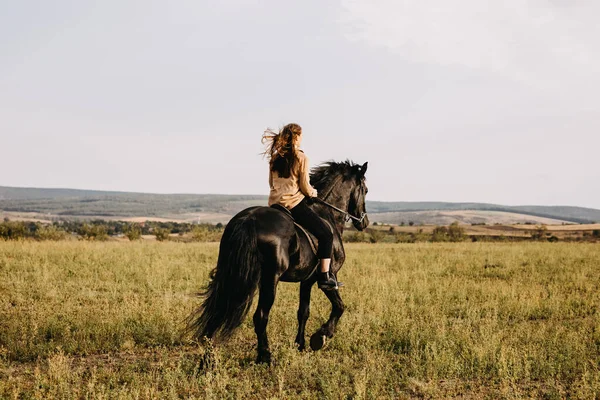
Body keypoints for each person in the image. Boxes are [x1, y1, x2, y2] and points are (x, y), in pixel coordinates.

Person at [262, 123, 339, 289]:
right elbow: (304, 186)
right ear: (296, 137)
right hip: (293, 205)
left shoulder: (275, 158)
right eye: (301, 136)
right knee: (326, 233)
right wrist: (313, 193)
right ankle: (325, 276)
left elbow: (271, 183)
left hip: (274, 205)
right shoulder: (301, 158)